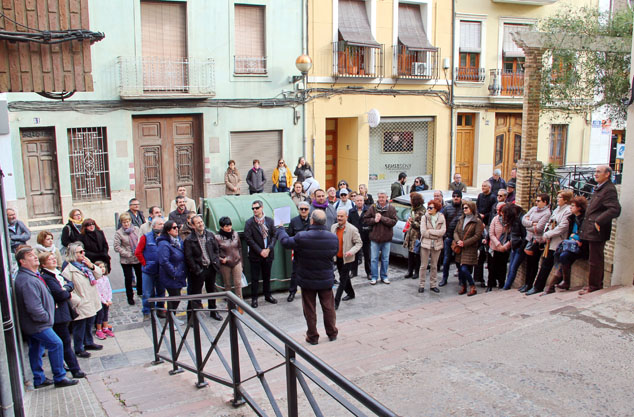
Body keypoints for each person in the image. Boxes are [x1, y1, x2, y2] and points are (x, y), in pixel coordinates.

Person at [14, 246, 78, 388]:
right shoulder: (27, 280)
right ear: (22, 261)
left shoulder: (32, 275)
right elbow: (33, 307)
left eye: (34, 254)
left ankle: (39, 379)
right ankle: (59, 377)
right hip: (38, 324)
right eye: (30, 256)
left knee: (36, 349)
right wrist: (46, 318)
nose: (35, 257)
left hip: (38, 323)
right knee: (56, 344)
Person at [277, 210, 339, 345]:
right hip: (325, 278)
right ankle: (332, 333)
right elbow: (334, 252)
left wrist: (281, 229)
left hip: (307, 279)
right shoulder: (333, 238)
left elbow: (285, 242)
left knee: (309, 309)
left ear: (312, 221)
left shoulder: (302, 237)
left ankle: (312, 336)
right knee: (329, 307)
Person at [39, 252, 85, 379]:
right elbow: (60, 294)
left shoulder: (56, 273)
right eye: (50, 259)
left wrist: (66, 288)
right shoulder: (47, 277)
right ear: (44, 264)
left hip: (64, 311)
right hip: (58, 314)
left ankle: (66, 366)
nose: (54, 260)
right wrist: (66, 290)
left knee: (63, 342)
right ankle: (75, 369)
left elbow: (70, 283)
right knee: (64, 342)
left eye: (54, 258)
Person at [578, 165, 621, 295]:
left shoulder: (609, 189)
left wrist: (599, 220)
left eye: (599, 172)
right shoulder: (600, 188)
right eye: (595, 172)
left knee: (596, 259)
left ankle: (594, 286)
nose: (595, 174)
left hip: (598, 230)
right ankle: (593, 284)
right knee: (593, 258)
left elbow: (615, 209)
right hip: (591, 229)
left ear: (607, 174)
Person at [526, 190, 573, 295]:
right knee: (546, 264)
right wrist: (546, 232)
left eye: (560, 197)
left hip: (558, 242)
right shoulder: (557, 209)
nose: (557, 199)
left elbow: (562, 227)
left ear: (565, 200)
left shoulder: (567, 211)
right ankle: (539, 286)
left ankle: (542, 286)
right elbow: (549, 222)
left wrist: (548, 234)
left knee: (550, 264)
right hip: (550, 241)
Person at [61, 242, 104, 358]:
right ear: (73, 254)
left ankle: (88, 342)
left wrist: (92, 266)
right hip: (81, 300)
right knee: (80, 325)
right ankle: (79, 348)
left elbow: (99, 275)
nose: (83, 253)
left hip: (91, 298)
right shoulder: (68, 270)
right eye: (80, 252)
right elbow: (67, 287)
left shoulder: (85, 264)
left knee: (90, 322)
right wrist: (77, 301)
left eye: (83, 251)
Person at [546, 196, 588, 292]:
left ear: (579, 208)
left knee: (564, 256)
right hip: (570, 245)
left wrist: (576, 237)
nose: (570, 207)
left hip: (581, 247)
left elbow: (583, 234)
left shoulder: (584, 220)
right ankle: (554, 285)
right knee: (561, 255)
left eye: (573, 206)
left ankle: (561, 283)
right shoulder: (572, 218)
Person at [184, 215, 222, 321]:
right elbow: (188, 257)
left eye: (201, 222)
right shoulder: (189, 239)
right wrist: (197, 269)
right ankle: (192, 316)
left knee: (211, 291)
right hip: (199, 269)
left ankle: (213, 311)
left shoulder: (210, 235)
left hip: (211, 268)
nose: (201, 224)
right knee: (195, 294)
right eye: (198, 223)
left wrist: (215, 261)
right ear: (193, 226)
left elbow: (216, 249)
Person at [244, 200, 278, 308]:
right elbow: (248, 239)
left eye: (257, 208)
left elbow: (274, 235)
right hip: (256, 255)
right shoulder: (249, 223)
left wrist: (269, 249)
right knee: (255, 278)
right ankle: (254, 298)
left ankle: (268, 295)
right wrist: (260, 251)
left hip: (268, 254)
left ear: (262, 207)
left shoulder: (269, 221)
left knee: (267, 276)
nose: (255, 210)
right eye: (253, 208)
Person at [518, 194, 551, 293]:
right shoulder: (533, 209)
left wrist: (529, 225)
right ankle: (526, 283)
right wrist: (532, 223)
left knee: (533, 263)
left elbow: (540, 228)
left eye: (539, 201)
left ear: (545, 202)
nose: (536, 202)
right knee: (528, 263)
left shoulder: (547, 213)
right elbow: (523, 220)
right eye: (536, 200)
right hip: (529, 238)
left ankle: (530, 284)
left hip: (537, 241)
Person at [135, 217, 166, 320]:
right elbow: (138, 252)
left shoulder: (165, 237)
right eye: (160, 224)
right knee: (147, 292)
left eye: (163, 224)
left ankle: (160, 309)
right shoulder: (146, 237)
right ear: (154, 226)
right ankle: (147, 311)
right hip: (148, 270)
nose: (162, 226)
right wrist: (145, 264)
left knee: (161, 292)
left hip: (161, 270)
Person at [363, 192, 397, 285]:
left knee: (385, 259)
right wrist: (374, 220)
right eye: (379, 197)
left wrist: (382, 218)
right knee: (374, 259)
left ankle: (384, 276)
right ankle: (374, 277)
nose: (381, 199)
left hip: (386, 238)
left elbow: (394, 222)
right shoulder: (373, 207)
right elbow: (365, 219)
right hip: (375, 238)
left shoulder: (391, 208)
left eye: (383, 197)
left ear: (387, 197)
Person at [331, 209, 362, 310]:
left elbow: (359, 243)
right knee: (344, 277)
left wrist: (351, 252)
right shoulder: (333, 227)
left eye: (341, 216)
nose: (339, 218)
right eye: (338, 216)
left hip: (347, 259)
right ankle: (351, 293)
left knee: (342, 280)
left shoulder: (352, 229)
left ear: (346, 217)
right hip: (338, 258)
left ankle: (336, 302)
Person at [157, 220, 187, 324]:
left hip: (179, 273)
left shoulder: (178, 240)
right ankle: (170, 320)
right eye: (174, 228)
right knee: (174, 297)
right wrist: (174, 272)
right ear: (168, 230)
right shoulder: (164, 244)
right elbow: (164, 261)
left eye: (177, 227)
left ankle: (172, 318)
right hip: (171, 276)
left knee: (176, 297)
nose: (177, 229)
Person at [453, 200, 484, 297]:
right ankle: (464, 286)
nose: (464, 209)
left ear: (472, 208)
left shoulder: (477, 221)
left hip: (470, 248)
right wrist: (458, 241)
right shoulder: (461, 219)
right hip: (460, 248)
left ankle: (472, 286)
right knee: (460, 268)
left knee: (464, 268)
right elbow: (455, 232)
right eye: (463, 208)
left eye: (466, 208)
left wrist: (465, 243)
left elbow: (477, 236)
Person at [114, 212, 143, 305]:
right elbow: (116, 247)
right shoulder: (119, 233)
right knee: (129, 278)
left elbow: (141, 240)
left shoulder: (136, 229)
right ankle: (130, 297)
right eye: (124, 222)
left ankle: (140, 291)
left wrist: (139, 251)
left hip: (137, 257)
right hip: (126, 259)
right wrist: (127, 253)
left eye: (127, 222)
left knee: (140, 276)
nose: (126, 224)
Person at [418, 199, 446, 294]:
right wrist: (435, 234)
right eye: (428, 207)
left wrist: (430, 231)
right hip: (426, 244)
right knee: (423, 265)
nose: (429, 209)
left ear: (436, 209)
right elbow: (423, 232)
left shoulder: (441, 217)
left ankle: (433, 285)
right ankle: (421, 285)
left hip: (437, 244)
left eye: (431, 208)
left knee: (434, 265)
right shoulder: (424, 217)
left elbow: (442, 232)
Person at [215, 216, 244, 302]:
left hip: (236, 261)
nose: (229, 228)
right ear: (221, 227)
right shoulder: (217, 238)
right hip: (225, 263)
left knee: (238, 283)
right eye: (226, 226)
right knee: (227, 284)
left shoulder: (235, 234)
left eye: (230, 225)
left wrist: (241, 262)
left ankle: (240, 303)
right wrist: (221, 259)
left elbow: (239, 248)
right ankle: (230, 303)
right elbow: (215, 252)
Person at [286, 202, 311, 302]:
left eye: (306, 209)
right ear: (298, 210)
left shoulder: (313, 220)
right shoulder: (294, 221)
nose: (303, 211)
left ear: (309, 210)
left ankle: (309, 292)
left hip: (310, 252)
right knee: (295, 273)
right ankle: (292, 292)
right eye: (301, 209)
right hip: (298, 252)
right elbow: (289, 236)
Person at [474, 181, 497, 286]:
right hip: (480, 223)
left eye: (485, 186)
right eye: (482, 186)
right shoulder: (480, 196)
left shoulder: (493, 198)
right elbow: (477, 208)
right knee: (479, 254)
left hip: (487, 224)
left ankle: (491, 280)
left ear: (489, 187)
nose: (483, 187)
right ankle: (478, 278)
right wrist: (479, 216)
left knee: (487, 254)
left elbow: (492, 212)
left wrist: (485, 216)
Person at [440, 191, 463, 287]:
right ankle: (444, 278)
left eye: (457, 196)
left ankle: (461, 279)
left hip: (459, 239)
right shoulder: (447, 208)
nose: (455, 198)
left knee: (459, 261)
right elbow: (441, 222)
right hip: (448, 237)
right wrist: (444, 235)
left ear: (461, 198)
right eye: (454, 196)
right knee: (446, 260)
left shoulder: (464, 208)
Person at [487, 203, 512, 292]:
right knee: (492, 267)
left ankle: (501, 284)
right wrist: (498, 244)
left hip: (504, 248)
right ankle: (490, 285)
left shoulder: (511, 221)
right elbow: (491, 234)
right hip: (494, 247)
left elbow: (512, 236)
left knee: (502, 267)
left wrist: (505, 246)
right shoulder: (495, 219)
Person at [502, 204, 526, 290]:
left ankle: (506, 286)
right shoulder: (514, 220)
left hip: (519, 247)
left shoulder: (520, 219)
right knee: (511, 267)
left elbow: (524, 236)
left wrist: (521, 247)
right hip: (515, 246)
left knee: (513, 267)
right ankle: (506, 285)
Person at [403, 193, 425, 280]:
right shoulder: (413, 209)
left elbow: (421, 225)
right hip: (411, 234)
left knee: (417, 254)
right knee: (410, 253)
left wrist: (412, 222)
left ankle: (416, 271)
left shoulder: (422, 211)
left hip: (417, 235)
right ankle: (410, 271)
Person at [348, 194, 371, 278]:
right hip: (355, 236)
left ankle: (369, 272)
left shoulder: (368, 210)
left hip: (366, 236)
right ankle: (353, 272)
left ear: (363, 201)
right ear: (355, 201)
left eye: (361, 200)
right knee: (354, 255)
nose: (359, 202)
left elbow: (371, 222)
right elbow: (349, 223)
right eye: (357, 201)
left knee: (367, 255)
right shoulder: (351, 211)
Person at [93, 261, 114, 339]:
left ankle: (105, 327)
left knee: (106, 314)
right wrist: (104, 301)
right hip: (101, 301)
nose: (102, 269)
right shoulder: (96, 280)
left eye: (103, 267)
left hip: (106, 300)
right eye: (100, 267)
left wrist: (109, 299)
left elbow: (109, 289)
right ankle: (99, 329)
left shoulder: (105, 278)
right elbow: (97, 292)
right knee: (100, 315)